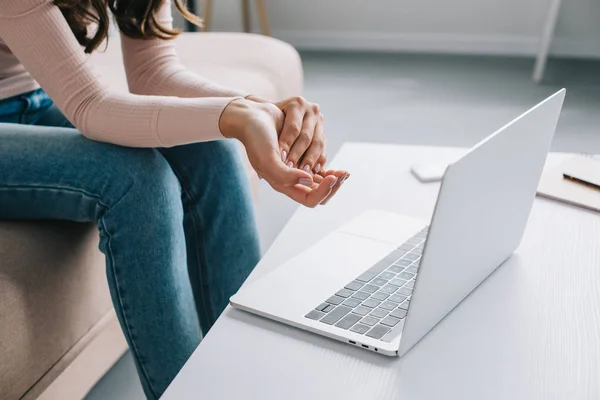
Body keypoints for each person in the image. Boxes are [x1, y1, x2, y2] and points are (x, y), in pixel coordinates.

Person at [0, 0, 349, 398]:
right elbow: (90, 106)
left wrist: (259, 111)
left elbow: (153, 74)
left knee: (209, 148)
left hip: (34, 102)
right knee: (136, 182)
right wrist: (240, 115)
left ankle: (254, 382)